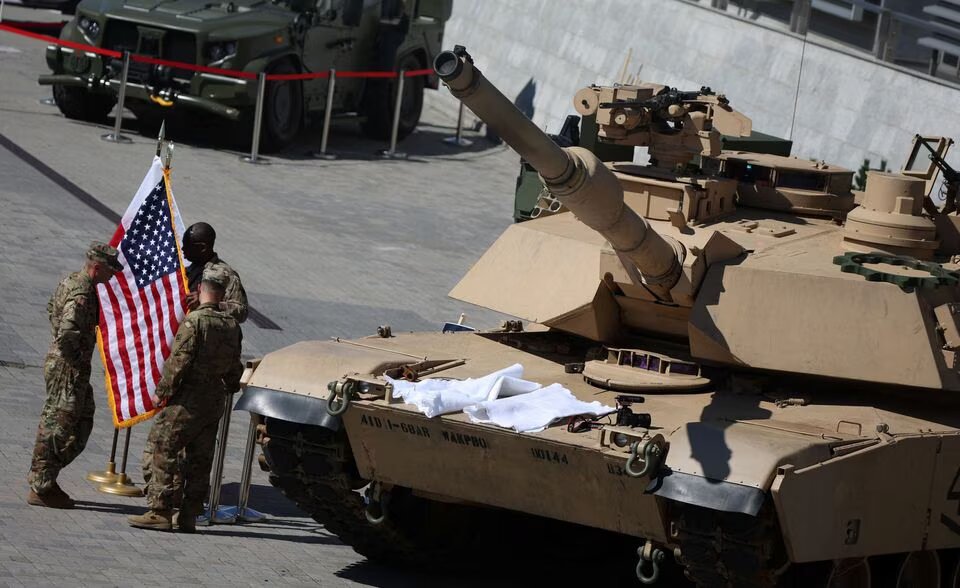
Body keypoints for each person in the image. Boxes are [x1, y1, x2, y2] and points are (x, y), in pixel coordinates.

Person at [129, 267, 243, 532]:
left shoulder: (195, 322)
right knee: (201, 459)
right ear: (222, 294)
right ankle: (189, 515)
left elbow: (179, 361)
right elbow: (234, 365)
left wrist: (163, 391)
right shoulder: (231, 325)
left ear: (201, 290)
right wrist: (230, 386)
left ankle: (160, 510)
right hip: (214, 399)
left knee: (162, 447)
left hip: (189, 398)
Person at [140, 221, 247, 504]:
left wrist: (208, 304)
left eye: (188, 247)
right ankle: (177, 496)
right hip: (179, 352)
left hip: (201, 363)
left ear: (204, 247)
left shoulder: (224, 274)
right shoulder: (186, 270)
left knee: (175, 442)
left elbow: (241, 310)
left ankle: (168, 500)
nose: (183, 251)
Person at [27, 242, 122, 509]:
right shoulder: (82, 292)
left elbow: (50, 309)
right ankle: (42, 484)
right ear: (97, 267)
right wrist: (78, 355)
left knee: (81, 418)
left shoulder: (71, 281)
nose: (113, 275)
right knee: (58, 424)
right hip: (68, 367)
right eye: (110, 270)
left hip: (66, 364)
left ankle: (45, 475)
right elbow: (67, 330)